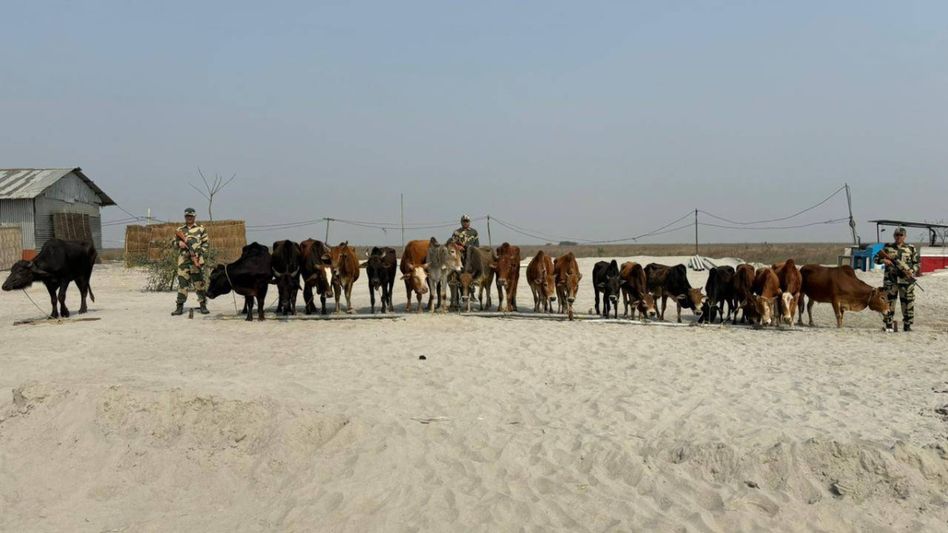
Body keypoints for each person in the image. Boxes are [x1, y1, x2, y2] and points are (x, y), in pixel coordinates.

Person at [875, 226, 920, 331]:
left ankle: (907, 325)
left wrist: (911, 271)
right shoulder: (887, 247)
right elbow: (876, 258)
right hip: (890, 280)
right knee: (889, 302)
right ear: (894, 236)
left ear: (905, 236)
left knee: (908, 302)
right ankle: (889, 324)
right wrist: (883, 261)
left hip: (906, 280)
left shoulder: (911, 248)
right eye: (897, 235)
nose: (899, 237)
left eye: (901, 235)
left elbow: (917, 263)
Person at [171, 207, 210, 316]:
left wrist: (198, 254)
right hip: (183, 261)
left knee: (199, 284)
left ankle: (203, 306)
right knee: (182, 284)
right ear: (185, 217)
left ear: (194, 217)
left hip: (196, 260)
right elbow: (173, 243)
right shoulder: (180, 229)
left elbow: (206, 244)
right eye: (187, 216)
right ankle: (179, 307)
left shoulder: (201, 229)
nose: (189, 218)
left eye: (191, 216)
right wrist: (179, 244)